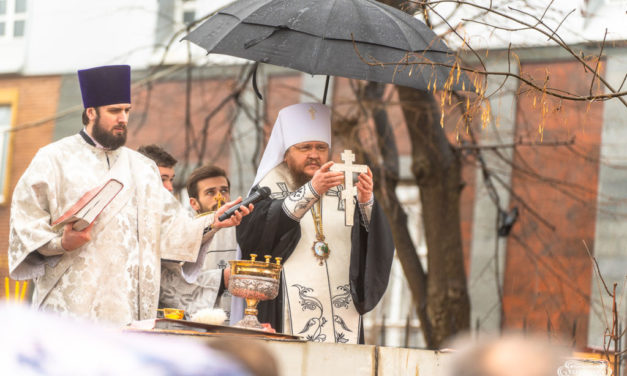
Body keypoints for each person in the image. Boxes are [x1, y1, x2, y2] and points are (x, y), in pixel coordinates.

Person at [7, 65, 251, 325]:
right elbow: (25, 224)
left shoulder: (143, 168)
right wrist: (61, 243)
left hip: (129, 307)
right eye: (114, 111)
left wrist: (213, 222)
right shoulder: (53, 159)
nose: (123, 118)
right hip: (71, 307)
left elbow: (171, 228)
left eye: (126, 110)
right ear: (91, 112)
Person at [236, 103, 394, 344]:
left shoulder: (345, 187)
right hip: (287, 310)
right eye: (304, 147)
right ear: (286, 152)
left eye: (321, 147)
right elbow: (255, 237)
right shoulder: (269, 186)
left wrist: (366, 204)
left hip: (342, 314)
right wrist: (311, 191)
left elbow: (373, 246)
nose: (314, 154)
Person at [159, 165, 237, 320]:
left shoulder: (243, 228)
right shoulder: (179, 234)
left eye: (224, 191)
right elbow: (172, 284)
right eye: (210, 192)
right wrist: (221, 279)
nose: (219, 198)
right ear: (194, 203)